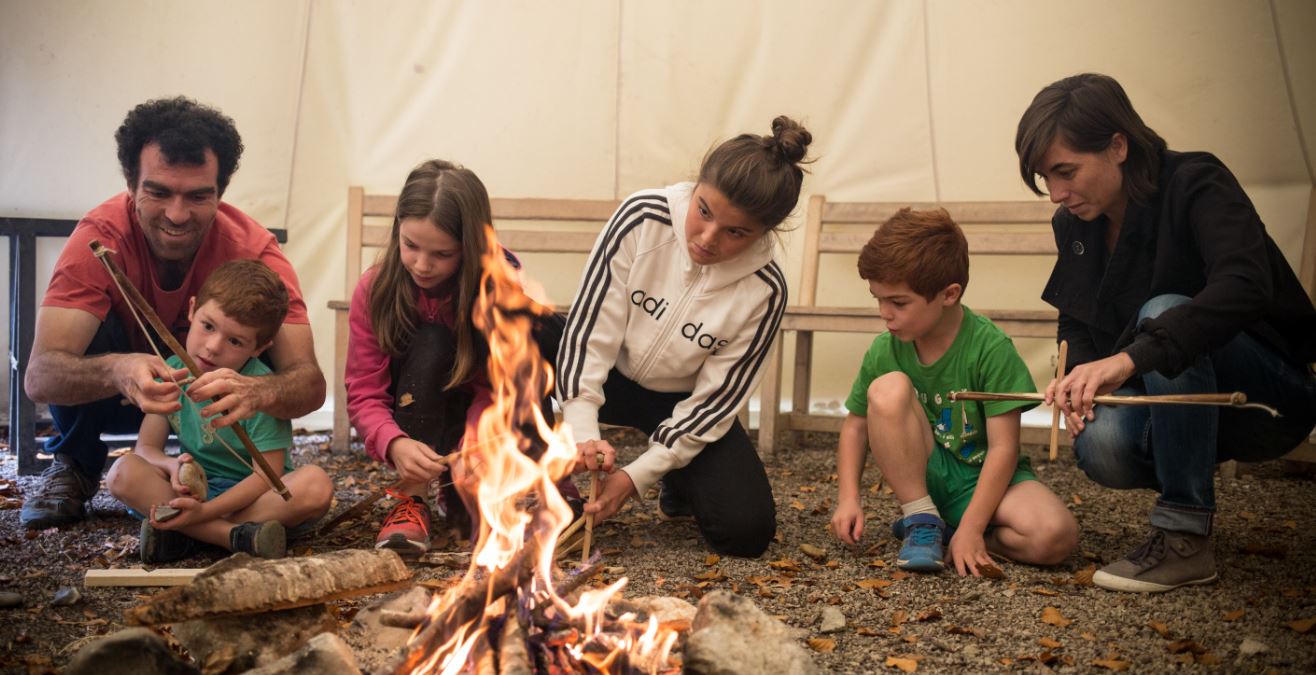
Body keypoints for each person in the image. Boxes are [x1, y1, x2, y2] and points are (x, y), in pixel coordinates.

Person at [1015, 73, 1316, 592]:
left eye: (1066, 171)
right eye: (1046, 177)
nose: (1056, 195)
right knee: (1102, 442)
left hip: (1270, 398)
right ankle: (1183, 519)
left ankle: (1183, 539)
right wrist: (1078, 379)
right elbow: (1078, 316)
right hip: (1186, 415)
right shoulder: (1074, 224)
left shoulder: (1196, 181)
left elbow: (1244, 285)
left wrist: (1129, 360)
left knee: (1166, 308)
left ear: (1117, 145)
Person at [22, 96, 324, 530]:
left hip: (215, 416)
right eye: (158, 192)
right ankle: (75, 462)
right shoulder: (99, 241)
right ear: (130, 184)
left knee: (265, 326)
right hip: (124, 402)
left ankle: (189, 522)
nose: (177, 215)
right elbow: (40, 376)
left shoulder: (254, 252)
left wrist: (257, 392)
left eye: (199, 196)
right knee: (88, 336)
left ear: (221, 192)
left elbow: (309, 384)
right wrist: (117, 370)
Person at [557, 116, 809, 558]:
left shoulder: (766, 291)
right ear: (695, 188)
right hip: (612, 375)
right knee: (526, 329)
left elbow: (714, 403)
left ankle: (678, 479)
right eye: (704, 211)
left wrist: (636, 477)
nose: (707, 239)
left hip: (677, 402)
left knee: (746, 532)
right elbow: (590, 330)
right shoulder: (642, 217)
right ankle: (539, 481)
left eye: (736, 232)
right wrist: (583, 431)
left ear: (764, 233)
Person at [830, 208, 1078, 575]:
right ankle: (921, 518)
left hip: (986, 478)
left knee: (1057, 537)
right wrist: (848, 498)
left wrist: (973, 529)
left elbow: (1004, 448)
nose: (885, 313)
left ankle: (950, 532)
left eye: (898, 302)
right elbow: (855, 426)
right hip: (923, 476)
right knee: (887, 388)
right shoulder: (886, 348)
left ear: (949, 294)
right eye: (878, 299)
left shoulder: (990, 348)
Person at [345, 159, 573, 555]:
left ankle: (532, 479)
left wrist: (481, 436)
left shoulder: (496, 285)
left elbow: (504, 382)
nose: (421, 264)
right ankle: (410, 499)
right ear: (397, 227)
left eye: (442, 254)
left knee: (544, 330)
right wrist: (394, 443)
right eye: (410, 245)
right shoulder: (376, 290)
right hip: (421, 416)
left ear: (471, 247)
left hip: (489, 424)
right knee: (430, 340)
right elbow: (364, 391)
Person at [105, 260, 333, 563]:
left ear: (259, 347)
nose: (212, 347)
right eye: (208, 326)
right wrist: (171, 467)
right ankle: (235, 537)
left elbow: (266, 477)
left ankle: (187, 535)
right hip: (196, 493)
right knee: (123, 473)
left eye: (235, 340)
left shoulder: (258, 389)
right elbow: (146, 448)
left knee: (315, 486)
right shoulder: (172, 372)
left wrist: (204, 512)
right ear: (192, 309)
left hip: (253, 498)